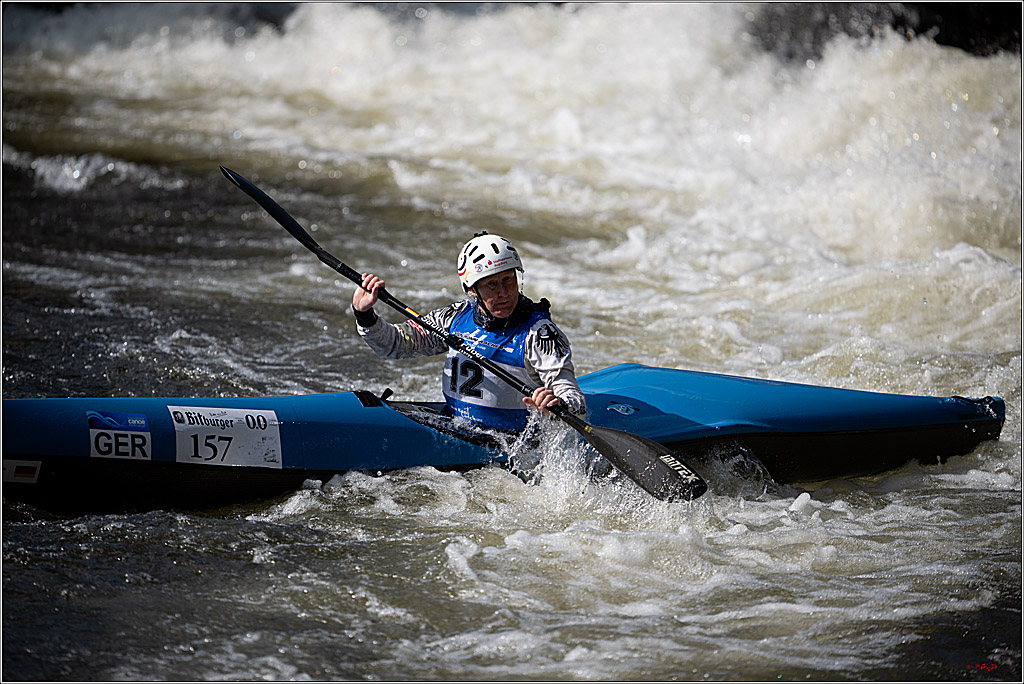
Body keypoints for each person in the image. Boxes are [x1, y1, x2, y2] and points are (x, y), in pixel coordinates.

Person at [351, 232, 586, 433]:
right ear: (472, 289)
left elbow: (574, 398)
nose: (504, 293)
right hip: (457, 428)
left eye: (508, 280)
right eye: (491, 284)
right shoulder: (454, 318)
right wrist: (364, 314)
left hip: (510, 442)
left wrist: (557, 404)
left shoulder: (540, 334)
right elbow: (394, 344)